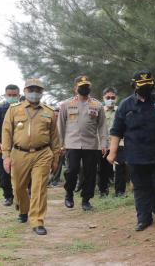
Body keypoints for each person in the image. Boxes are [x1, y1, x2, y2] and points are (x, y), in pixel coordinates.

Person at [108, 70, 155, 231]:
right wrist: (112, 152)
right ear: (134, 85)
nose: (145, 87)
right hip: (137, 154)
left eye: (148, 85)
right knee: (141, 187)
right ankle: (144, 218)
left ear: (153, 84)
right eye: (142, 85)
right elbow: (116, 131)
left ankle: (153, 203)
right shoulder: (125, 105)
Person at [1, 78, 60, 235]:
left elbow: (55, 137)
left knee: (39, 187)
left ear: (42, 92)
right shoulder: (13, 110)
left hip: (43, 153)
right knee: (18, 188)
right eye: (31, 89)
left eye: (38, 90)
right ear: (25, 91)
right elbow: (6, 133)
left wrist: (55, 158)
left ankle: (37, 221)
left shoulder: (49, 111)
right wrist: (6, 156)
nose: (34, 93)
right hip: (19, 153)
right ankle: (23, 210)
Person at [58, 75, 108, 211]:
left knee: (90, 173)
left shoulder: (97, 105)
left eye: (87, 86)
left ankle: (86, 199)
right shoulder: (66, 105)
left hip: (91, 144)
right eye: (81, 86)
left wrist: (104, 144)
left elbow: (103, 126)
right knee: (72, 170)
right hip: (72, 143)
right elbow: (61, 125)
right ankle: (69, 194)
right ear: (75, 88)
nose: (84, 88)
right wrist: (60, 144)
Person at [0, 84, 20, 206]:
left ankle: (25, 193)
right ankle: (8, 196)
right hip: (4, 147)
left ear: (19, 95)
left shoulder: (24, 109)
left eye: (14, 95)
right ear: (5, 95)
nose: (12, 97)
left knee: (23, 172)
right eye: (9, 95)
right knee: (3, 173)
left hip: (21, 147)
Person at [99, 87, 128, 197]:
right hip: (104, 144)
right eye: (108, 97)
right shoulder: (99, 111)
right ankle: (103, 191)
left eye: (112, 97)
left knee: (121, 166)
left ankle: (120, 192)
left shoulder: (121, 110)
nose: (110, 99)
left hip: (119, 143)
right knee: (103, 169)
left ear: (116, 98)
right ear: (103, 98)